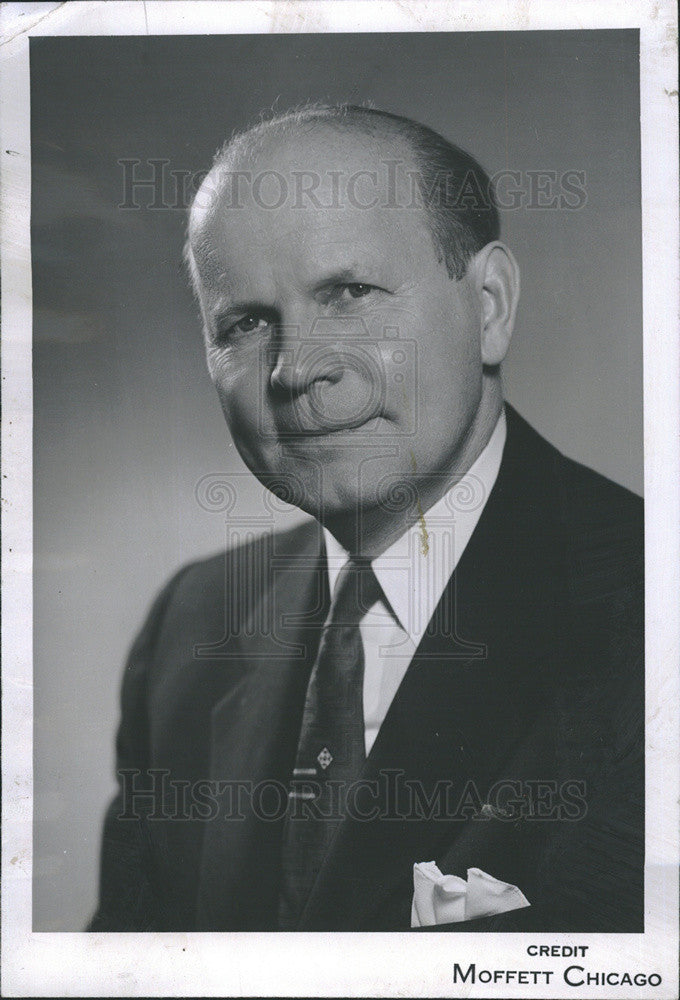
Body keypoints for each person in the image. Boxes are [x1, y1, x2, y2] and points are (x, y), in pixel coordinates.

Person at [89, 105, 644, 932]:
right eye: (244, 323)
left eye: (349, 294)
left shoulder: (651, 608)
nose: (295, 369)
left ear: (488, 306)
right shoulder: (189, 629)